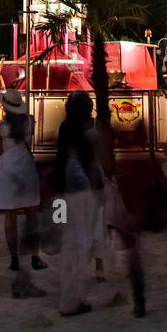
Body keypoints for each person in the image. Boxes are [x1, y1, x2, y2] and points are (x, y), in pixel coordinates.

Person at [54, 90, 103, 317]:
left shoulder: (65, 128)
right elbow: (91, 165)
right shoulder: (86, 132)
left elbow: (60, 157)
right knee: (80, 243)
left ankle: (70, 296)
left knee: (69, 242)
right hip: (83, 193)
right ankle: (72, 299)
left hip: (65, 192)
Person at [0, 87, 47, 298]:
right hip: (25, 167)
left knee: (10, 216)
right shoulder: (29, 122)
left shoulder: (0, 127)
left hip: (8, 169)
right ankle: (35, 256)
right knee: (32, 214)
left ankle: (14, 258)